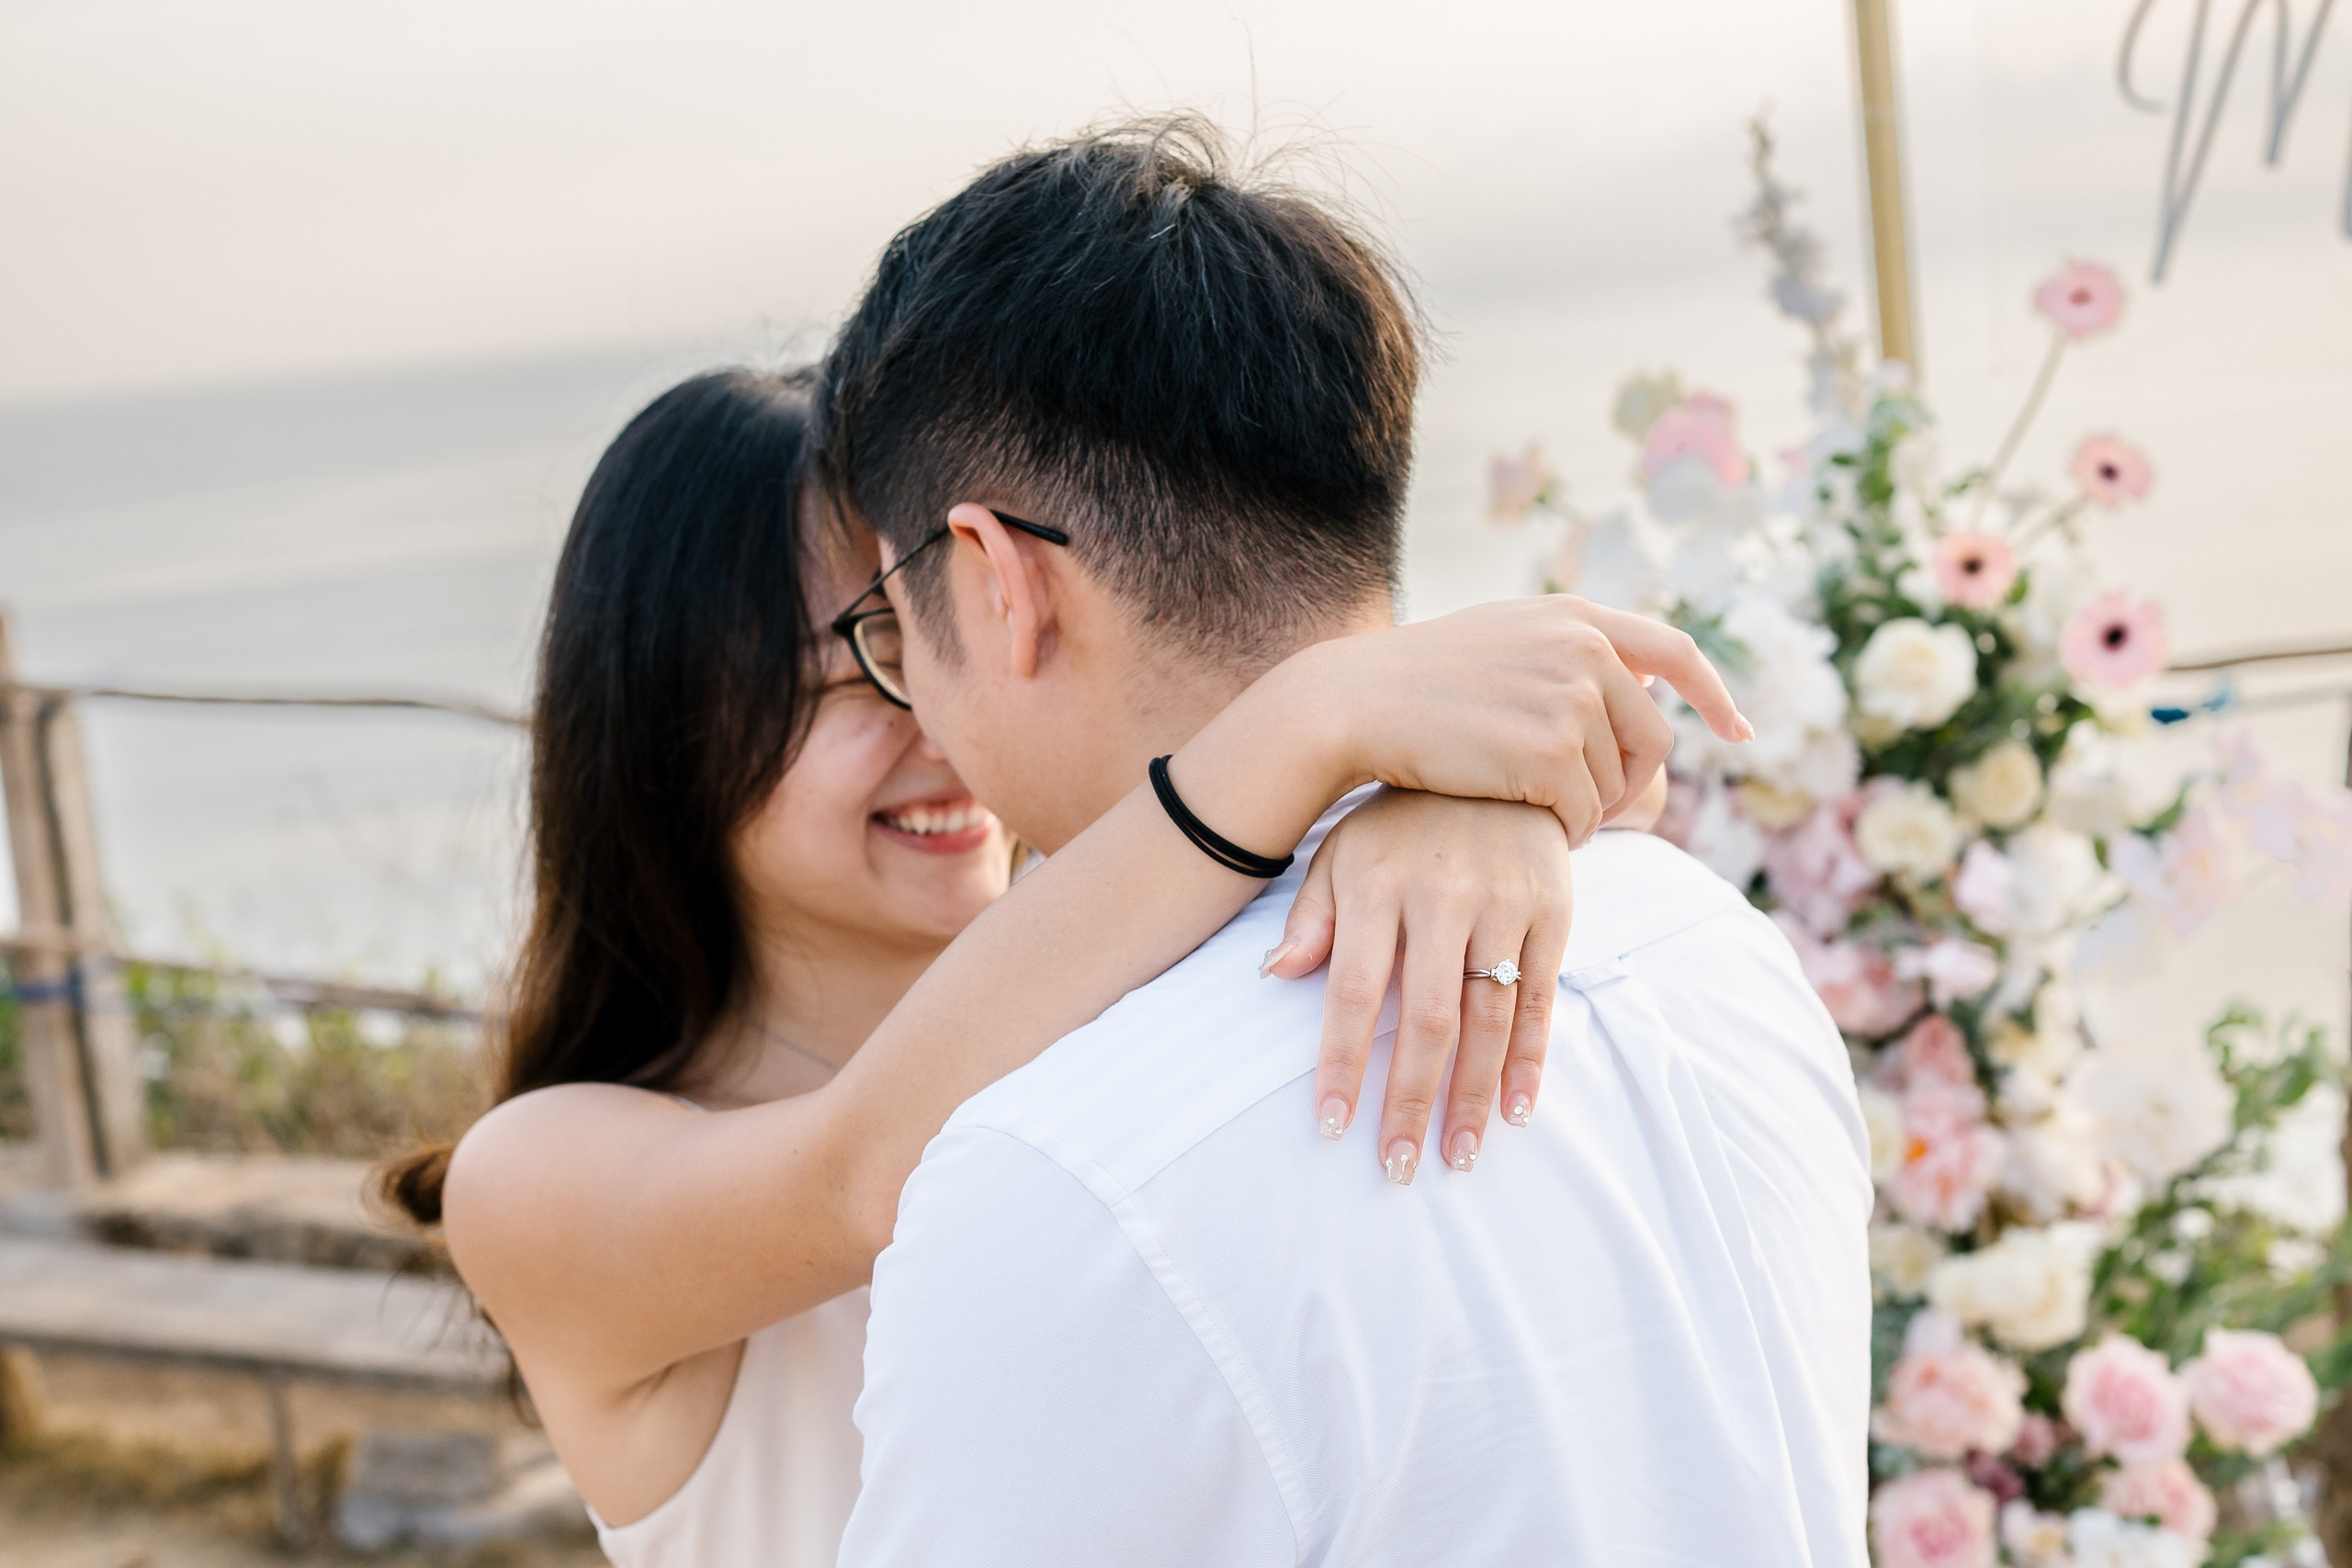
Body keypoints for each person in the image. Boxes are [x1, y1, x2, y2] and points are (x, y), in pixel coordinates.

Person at [379, 367, 1744, 1566]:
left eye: (958, 630)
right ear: (666, 720)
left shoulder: (1152, 985)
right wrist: (1322, 716)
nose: (947, 708)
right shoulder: (537, 1178)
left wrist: (1450, 803)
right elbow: (867, 1176)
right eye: (874, 663)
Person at [821, 118, 1875, 1566]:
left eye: (888, 629)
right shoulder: (1711, 950)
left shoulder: (1056, 1180)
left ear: (1000, 583)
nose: (917, 709)